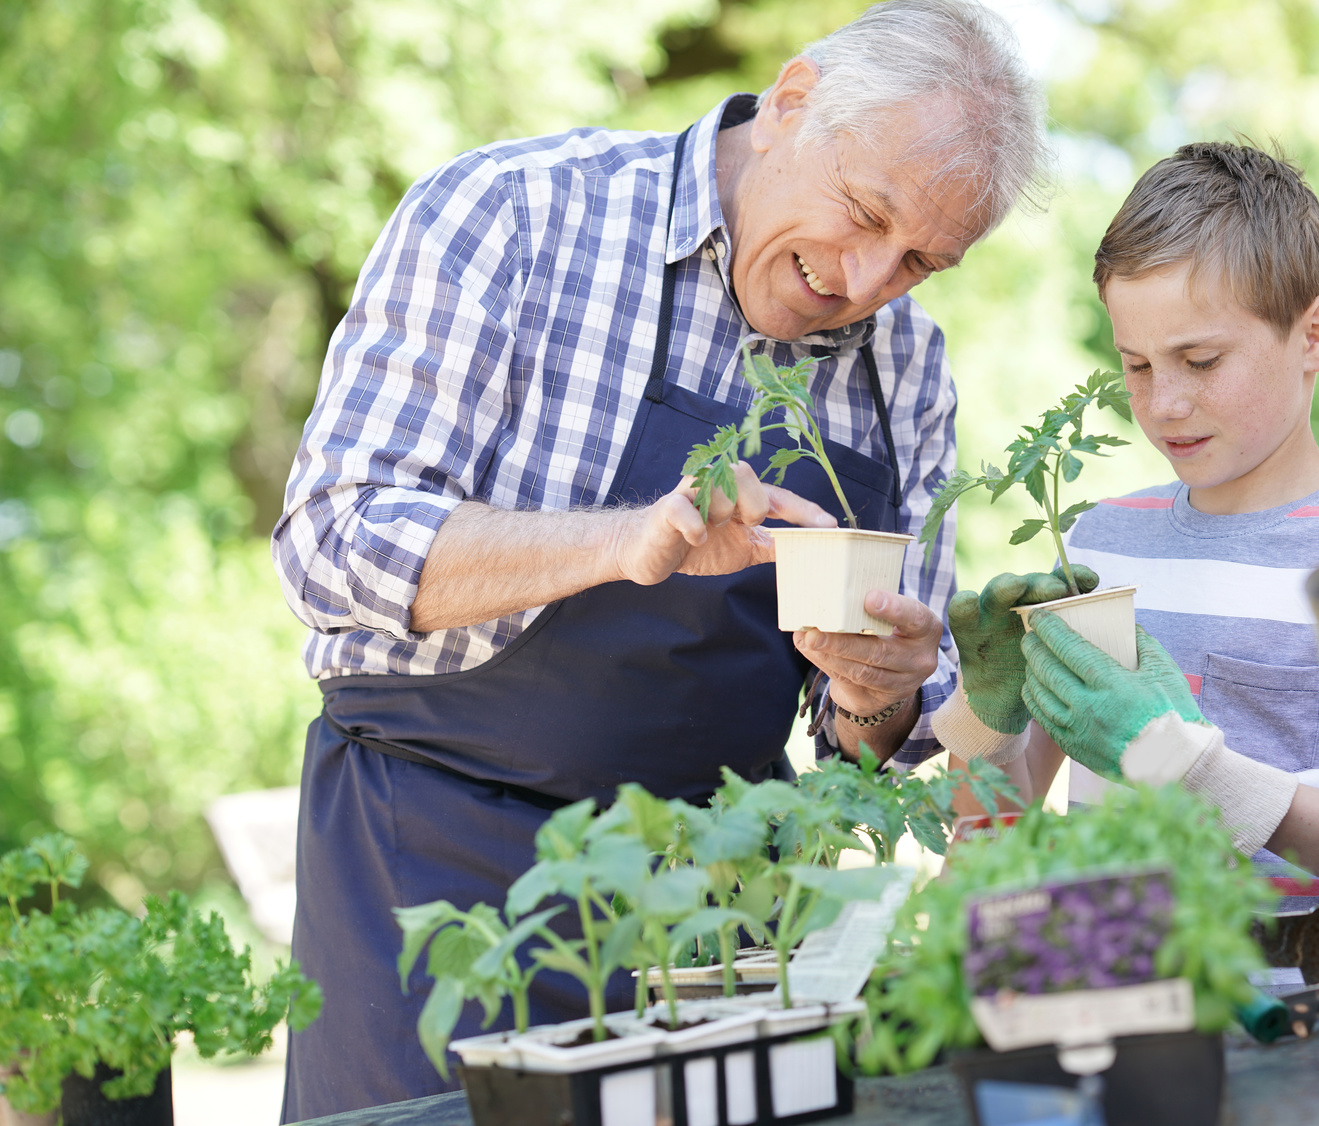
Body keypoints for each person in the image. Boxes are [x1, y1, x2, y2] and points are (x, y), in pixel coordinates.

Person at [269, 1, 1048, 1117]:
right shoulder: (513, 215)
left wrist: (876, 692)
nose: (870, 279)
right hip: (435, 869)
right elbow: (330, 542)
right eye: (864, 213)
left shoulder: (905, 372)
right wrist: (621, 541)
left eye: (921, 258)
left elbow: (867, 750)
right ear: (789, 103)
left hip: (716, 909)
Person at [935, 142, 1319, 899]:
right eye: (1136, 365)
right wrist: (987, 723)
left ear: (1316, 334)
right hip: (1109, 982)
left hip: (1314, 1002)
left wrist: (1196, 769)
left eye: (1200, 362)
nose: (1163, 403)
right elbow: (986, 851)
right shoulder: (1096, 550)